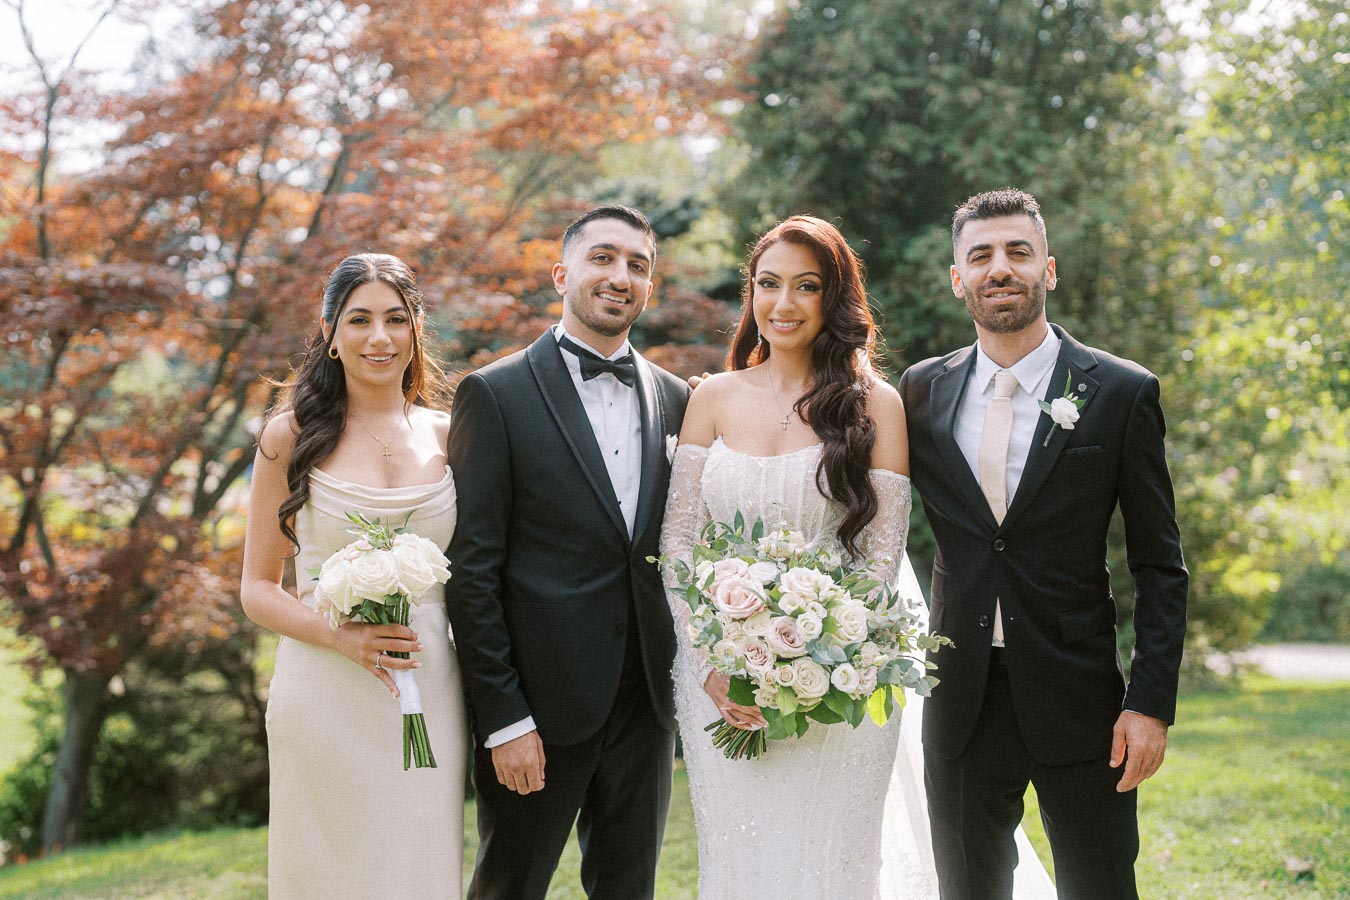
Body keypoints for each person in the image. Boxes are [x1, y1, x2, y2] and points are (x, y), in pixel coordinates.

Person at [899, 189, 1189, 899]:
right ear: (957, 278)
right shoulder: (920, 393)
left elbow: (1160, 564)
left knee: (1100, 885)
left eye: (1018, 252)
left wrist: (1149, 703)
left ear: (1048, 270)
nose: (1001, 268)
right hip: (960, 698)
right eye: (982, 256)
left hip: (1082, 699)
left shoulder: (1121, 392)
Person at [445, 205, 692, 899]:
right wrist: (504, 719)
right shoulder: (493, 394)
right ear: (562, 273)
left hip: (645, 706)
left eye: (638, 266)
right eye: (603, 259)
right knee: (509, 888)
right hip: (538, 711)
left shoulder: (679, 400)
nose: (621, 277)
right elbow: (471, 572)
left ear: (651, 286)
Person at [240, 253, 467, 898]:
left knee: (419, 863)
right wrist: (340, 637)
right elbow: (257, 589)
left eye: (396, 319)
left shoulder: (452, 436)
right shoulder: (288, 436)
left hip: (428, 691)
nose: (379, 337)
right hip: (324, 691)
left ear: (416, 328)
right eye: (359, 319)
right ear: (330, 333)